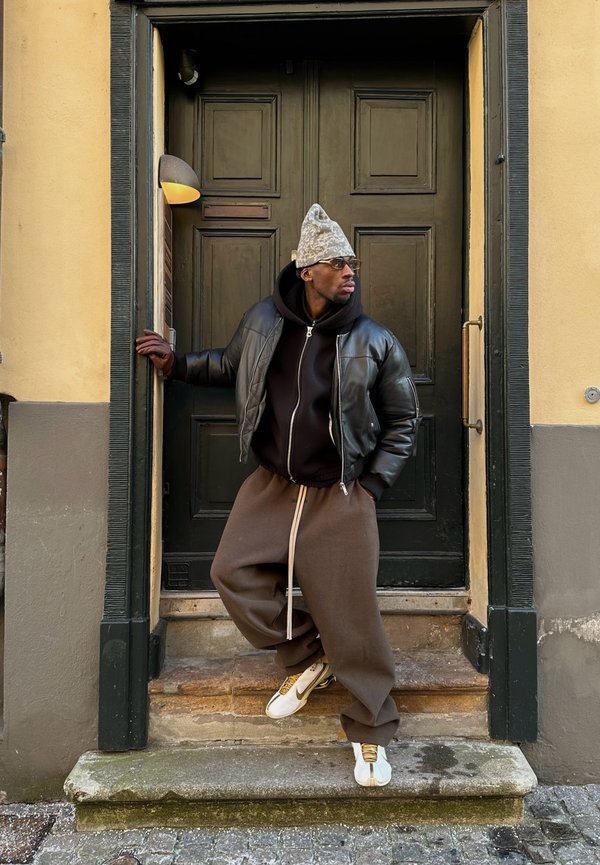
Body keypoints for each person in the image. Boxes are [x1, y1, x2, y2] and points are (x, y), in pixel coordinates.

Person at [136, 204, 420, 787]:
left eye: (352, 263)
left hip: (340, 493)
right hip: (272, 484)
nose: (350, 272)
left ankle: (370, 733)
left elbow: (403, 421)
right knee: (231, 572)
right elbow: (231, 365)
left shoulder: (374, 340)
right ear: (308, 269)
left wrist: (370, 487)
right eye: (338, 262)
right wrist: (176, 364)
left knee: (353, 616)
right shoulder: (266, 321)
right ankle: (308, 656)